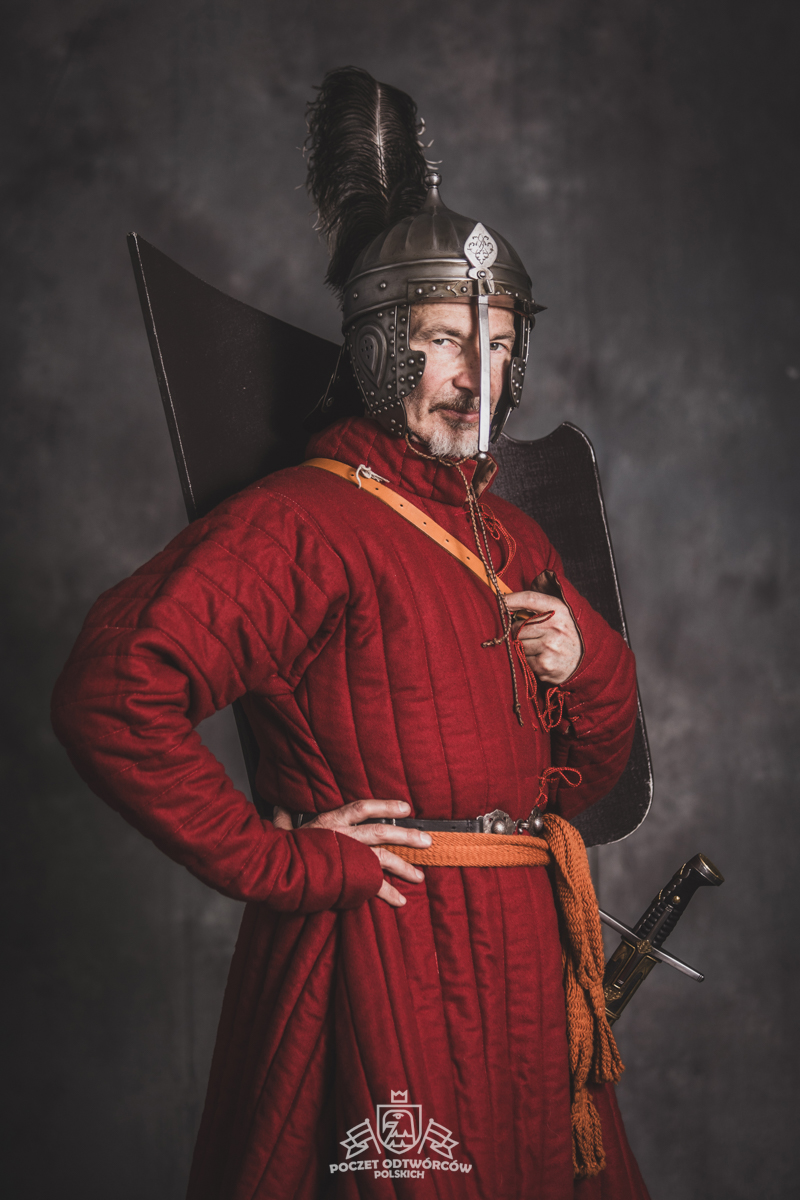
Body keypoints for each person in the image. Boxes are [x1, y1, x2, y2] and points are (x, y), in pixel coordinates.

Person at [52, 68, 650, 1199]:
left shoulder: (514, 536)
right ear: (380, 350)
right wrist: (281, 861)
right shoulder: (301, 523)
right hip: (384, 954)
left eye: (498, 344)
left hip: (530, 962)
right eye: (444, 341)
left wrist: (588, 662)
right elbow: (113, 691)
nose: (476, 377)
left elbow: (582, 785)